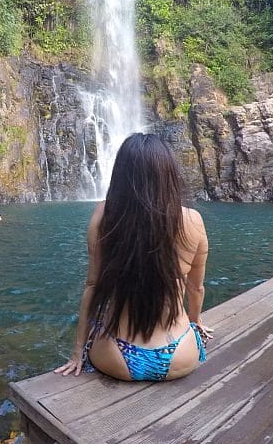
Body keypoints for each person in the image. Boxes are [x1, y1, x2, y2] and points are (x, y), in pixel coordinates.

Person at [54, 133, 212, 382]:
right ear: (169, 175)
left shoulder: (104, 215)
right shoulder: (193, 221)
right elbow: (196, 287)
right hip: (180, 354)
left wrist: (77, 353)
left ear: (121, 175)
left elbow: (93, 287)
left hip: (117, 356)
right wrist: (196, 321)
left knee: (101, 320)